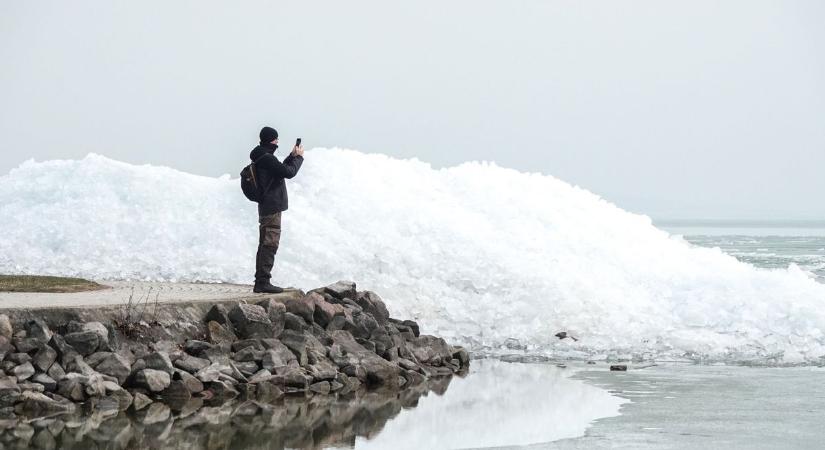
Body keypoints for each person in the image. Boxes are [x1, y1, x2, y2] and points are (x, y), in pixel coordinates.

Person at [249, 126, 304, 293]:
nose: (278, 142)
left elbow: (279, 171)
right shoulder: (266, 158)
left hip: (268, 205)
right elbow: (288, 172)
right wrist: (299, 158)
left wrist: (291, 156)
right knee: (269, 244)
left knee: (266, 242)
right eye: (276, 139)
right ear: (272, 140)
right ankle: (263, 282)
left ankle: (262, 281)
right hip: (271, 206)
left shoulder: (263, 156)